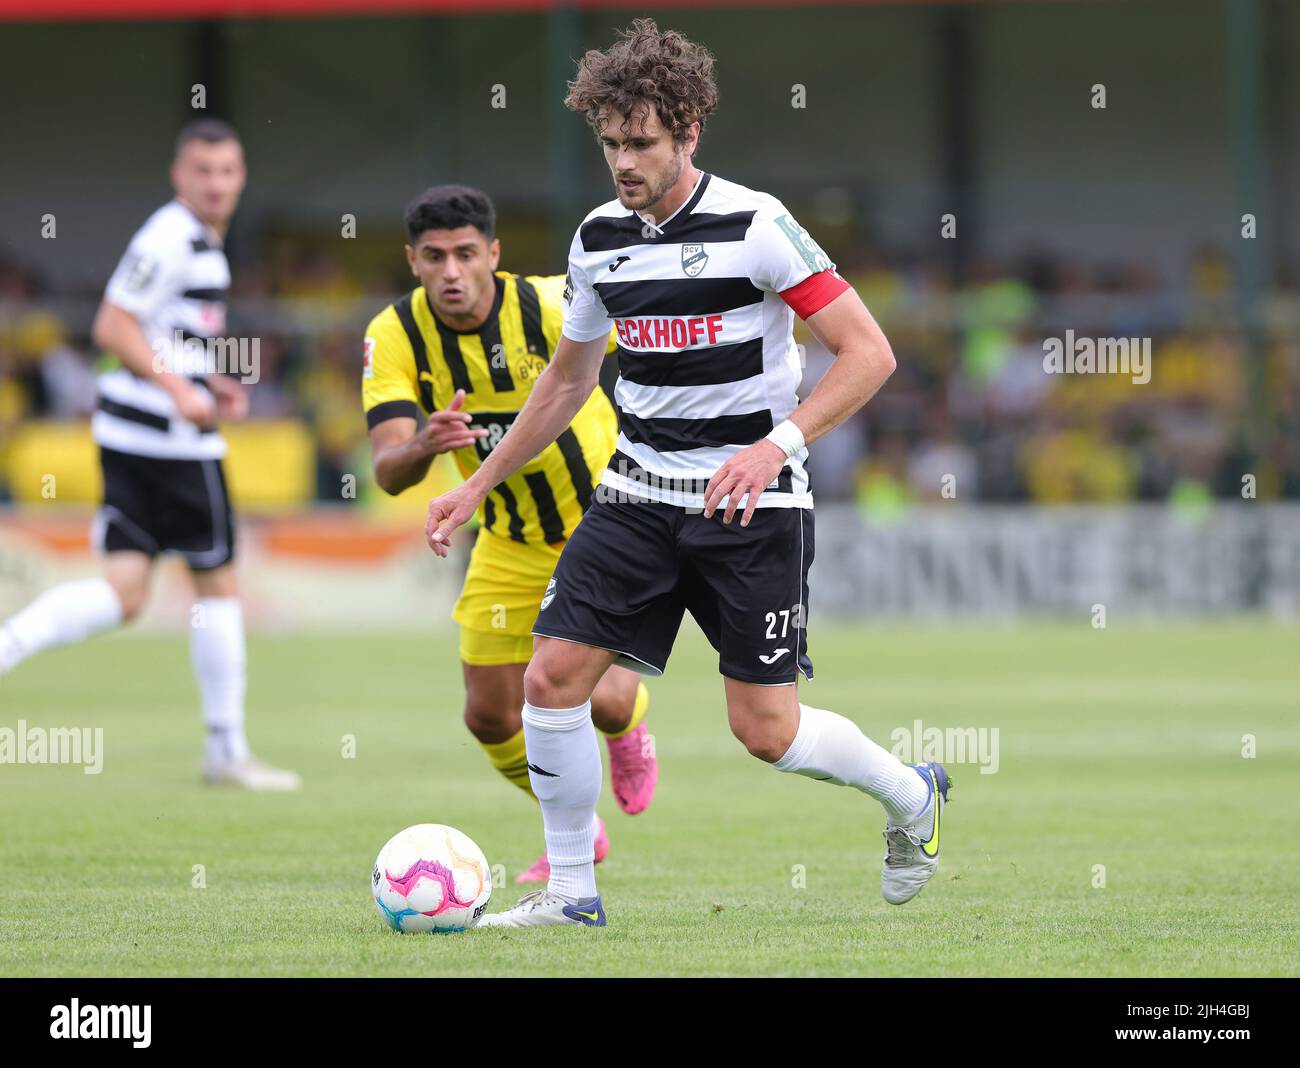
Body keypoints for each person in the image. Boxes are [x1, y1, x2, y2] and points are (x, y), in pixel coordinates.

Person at [425, 21, 952, 928]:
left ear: (689, 134)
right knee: (549, 680)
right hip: (636, 495)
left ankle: (912, 795)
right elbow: (567, 381)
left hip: (753, 504)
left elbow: (868, 354)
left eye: (642, 143)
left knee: (767, 733)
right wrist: (478, 483)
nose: (623, 162)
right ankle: (570, 894)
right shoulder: (599, 240)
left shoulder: (758, 225)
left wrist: (777, 444)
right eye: (610, 144)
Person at [362, 185, 658, 882]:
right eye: (434, 257)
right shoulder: (393, 335)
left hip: (600, 527)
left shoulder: (555, 306)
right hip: (505, 536)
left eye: (466, 254)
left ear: (493, 254)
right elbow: (386, 470)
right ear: (412, 261)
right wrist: (424, 446)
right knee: (490, 717)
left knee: (601, 697)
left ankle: (627, 730)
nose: (451, 271)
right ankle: (580, 827)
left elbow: (653, 325)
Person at [0, 120, 299, 791]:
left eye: (227, 172)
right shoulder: (173, 237)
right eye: (204, 171)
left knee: (127, 590)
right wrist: (177, 391)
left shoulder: (202, 244)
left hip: (128, 435)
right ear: (179, 175)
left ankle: (7, 644)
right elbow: (113, 324)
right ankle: (226, 750)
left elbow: (164, 334)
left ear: (241, 176)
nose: (216, 184)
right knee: (216, 582)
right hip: (169, 441)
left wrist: (209, 379)